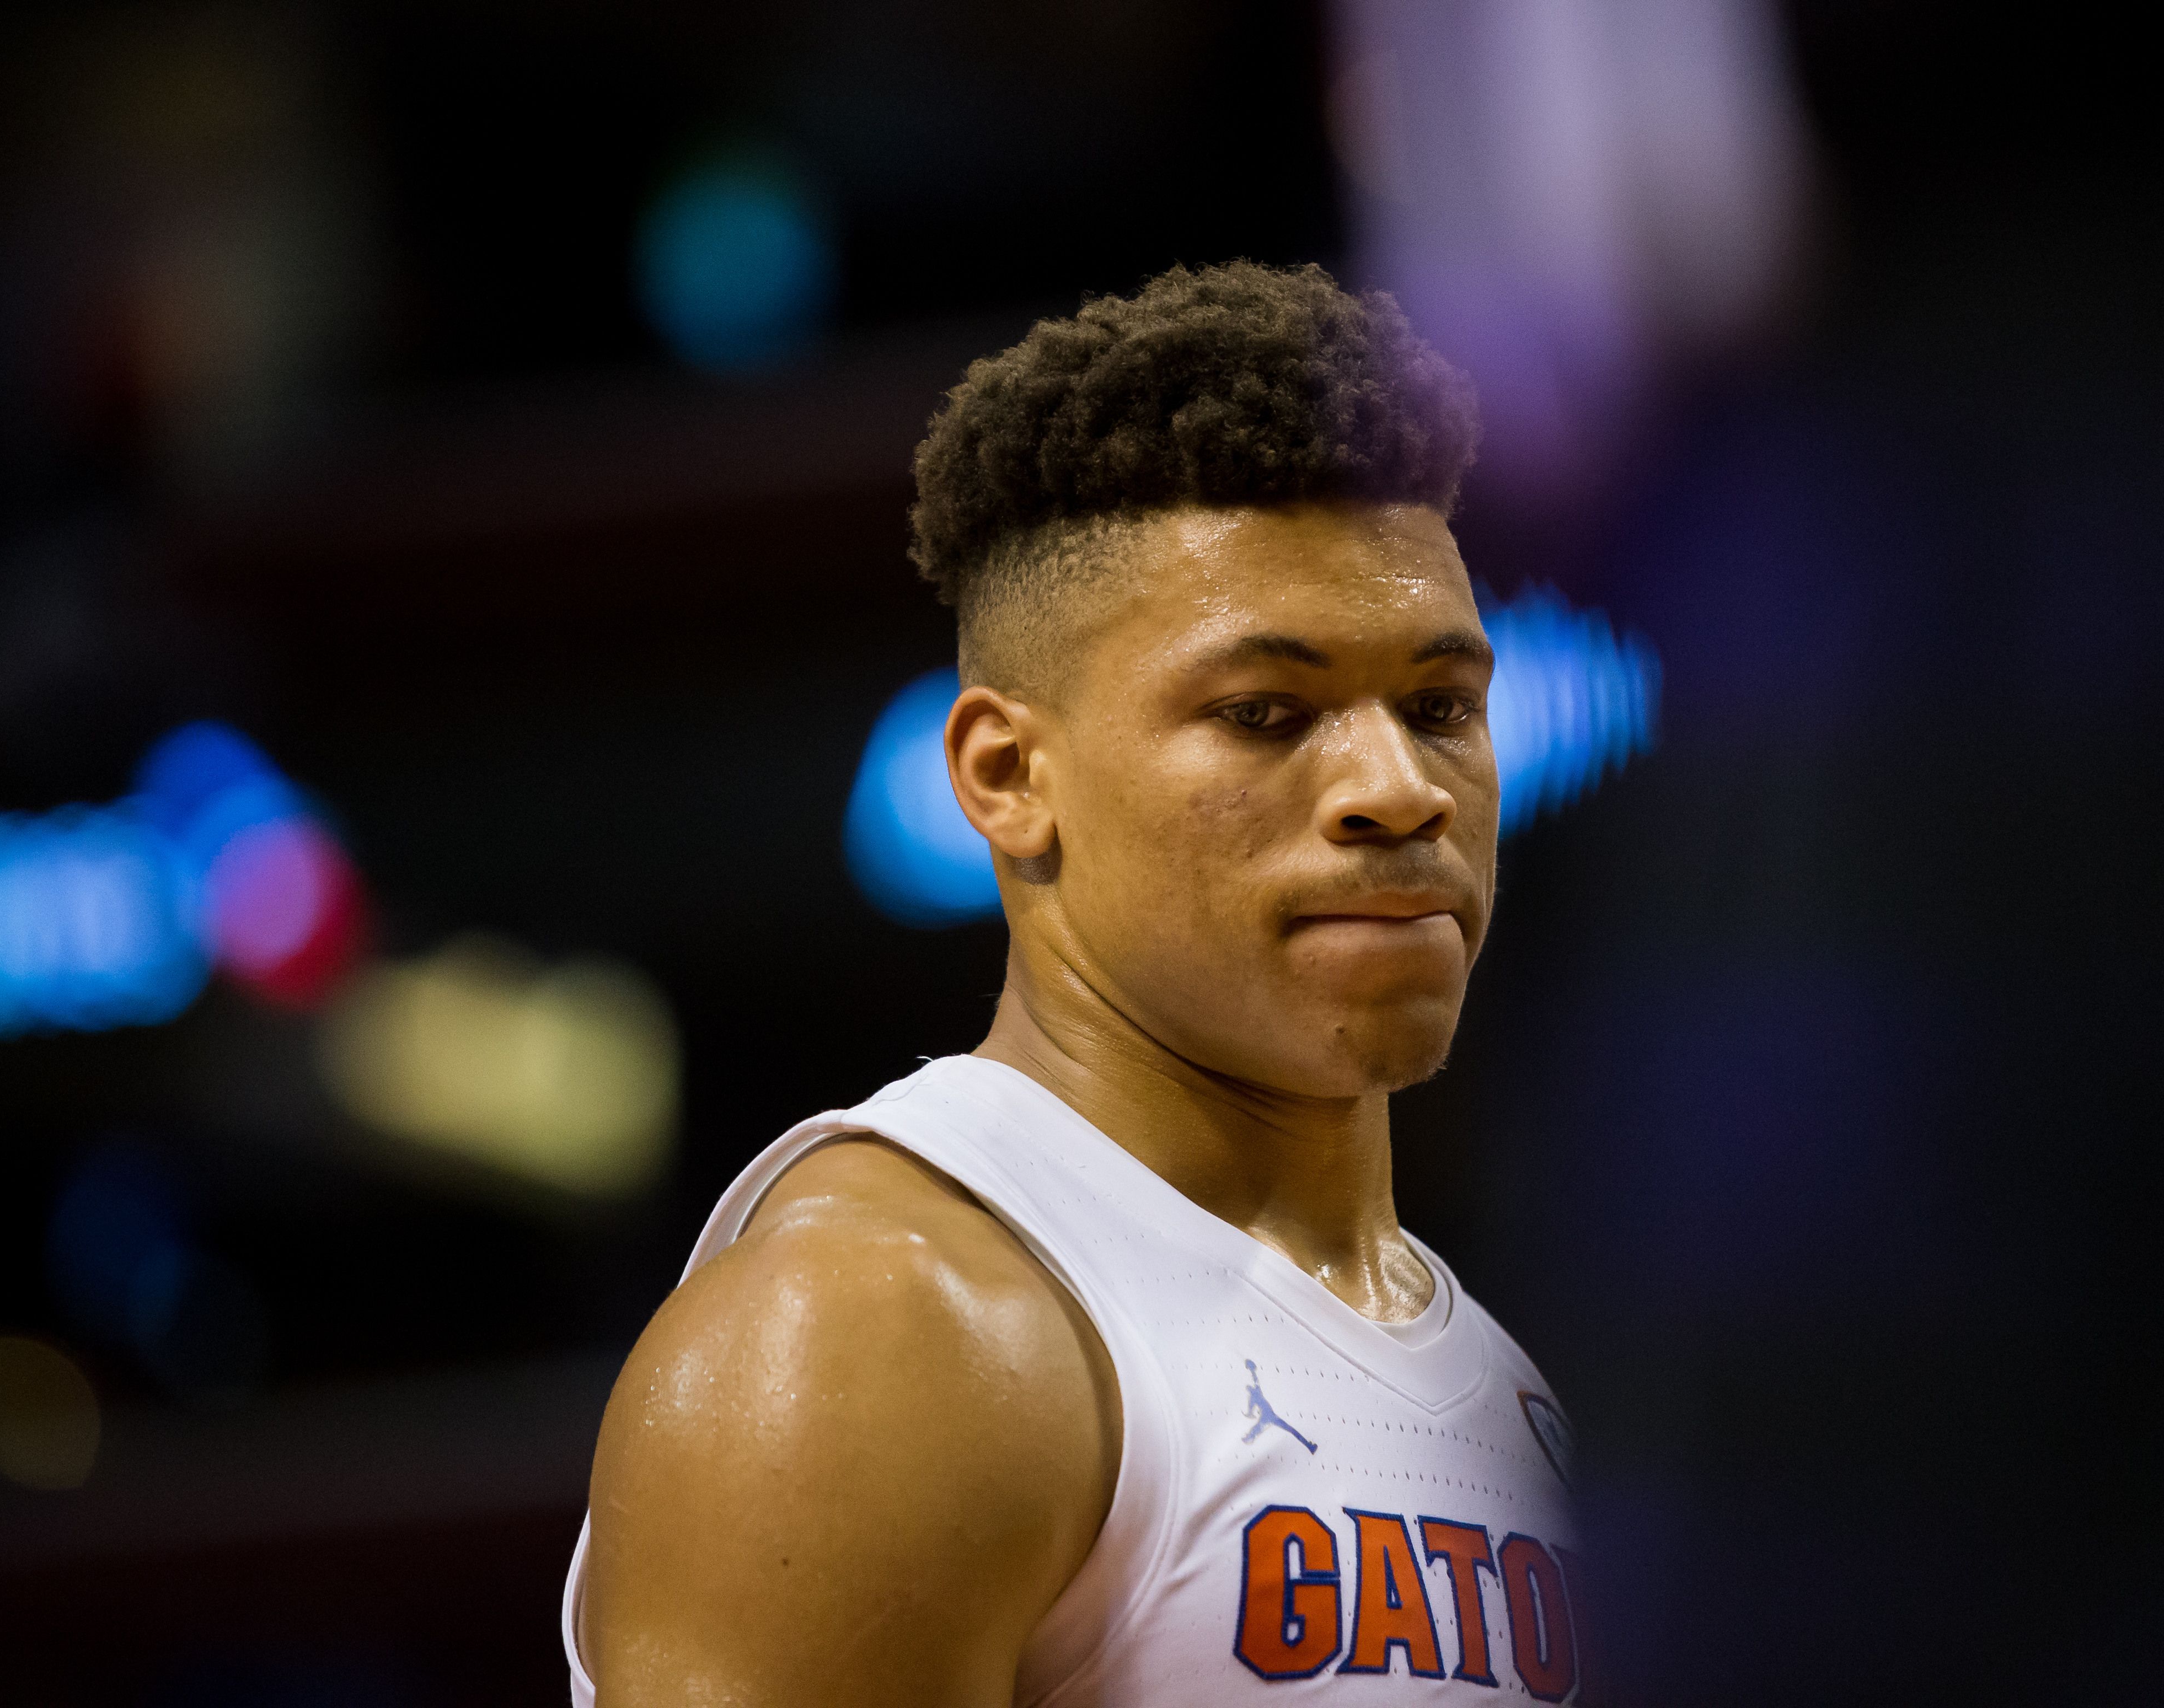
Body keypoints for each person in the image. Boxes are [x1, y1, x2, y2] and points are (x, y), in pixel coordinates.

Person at [565, 261, 1584, 1705]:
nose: (1396, 788)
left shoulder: (1513, 1389)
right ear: (1008, 775)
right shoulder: (882, 1325)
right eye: (1266, 713)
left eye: (1440, 707)